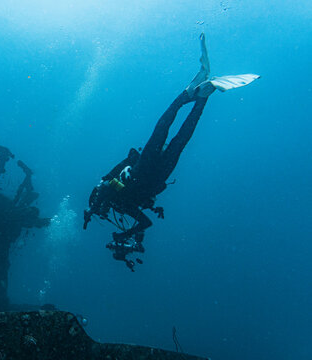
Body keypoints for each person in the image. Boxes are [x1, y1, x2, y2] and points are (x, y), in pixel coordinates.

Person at [83, 33, 259, 271]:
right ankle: (196, 94)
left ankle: (198, 95)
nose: (104, 212)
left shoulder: (112, 197)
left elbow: (109, 192)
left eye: (102, 210)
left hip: (148, 173)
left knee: (175, 138)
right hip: (150, 174)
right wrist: (127, 236)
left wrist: (96, 211)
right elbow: (145, 223)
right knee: (169, 134)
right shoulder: (124, 206)